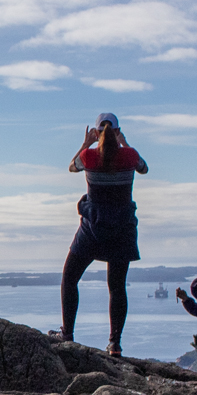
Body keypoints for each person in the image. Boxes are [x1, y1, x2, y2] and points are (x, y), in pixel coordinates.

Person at [59, 112, 148, 355]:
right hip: (123, 229)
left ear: (97, 132)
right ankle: (114, 343)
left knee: (70, 278)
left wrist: (86, 143)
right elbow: (144, 169)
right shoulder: (130, 155)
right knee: (117, 287)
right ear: (117, 131)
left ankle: (67, 333)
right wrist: (124, 143)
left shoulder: (88, 156)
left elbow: (71, 167)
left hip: (92, 229)